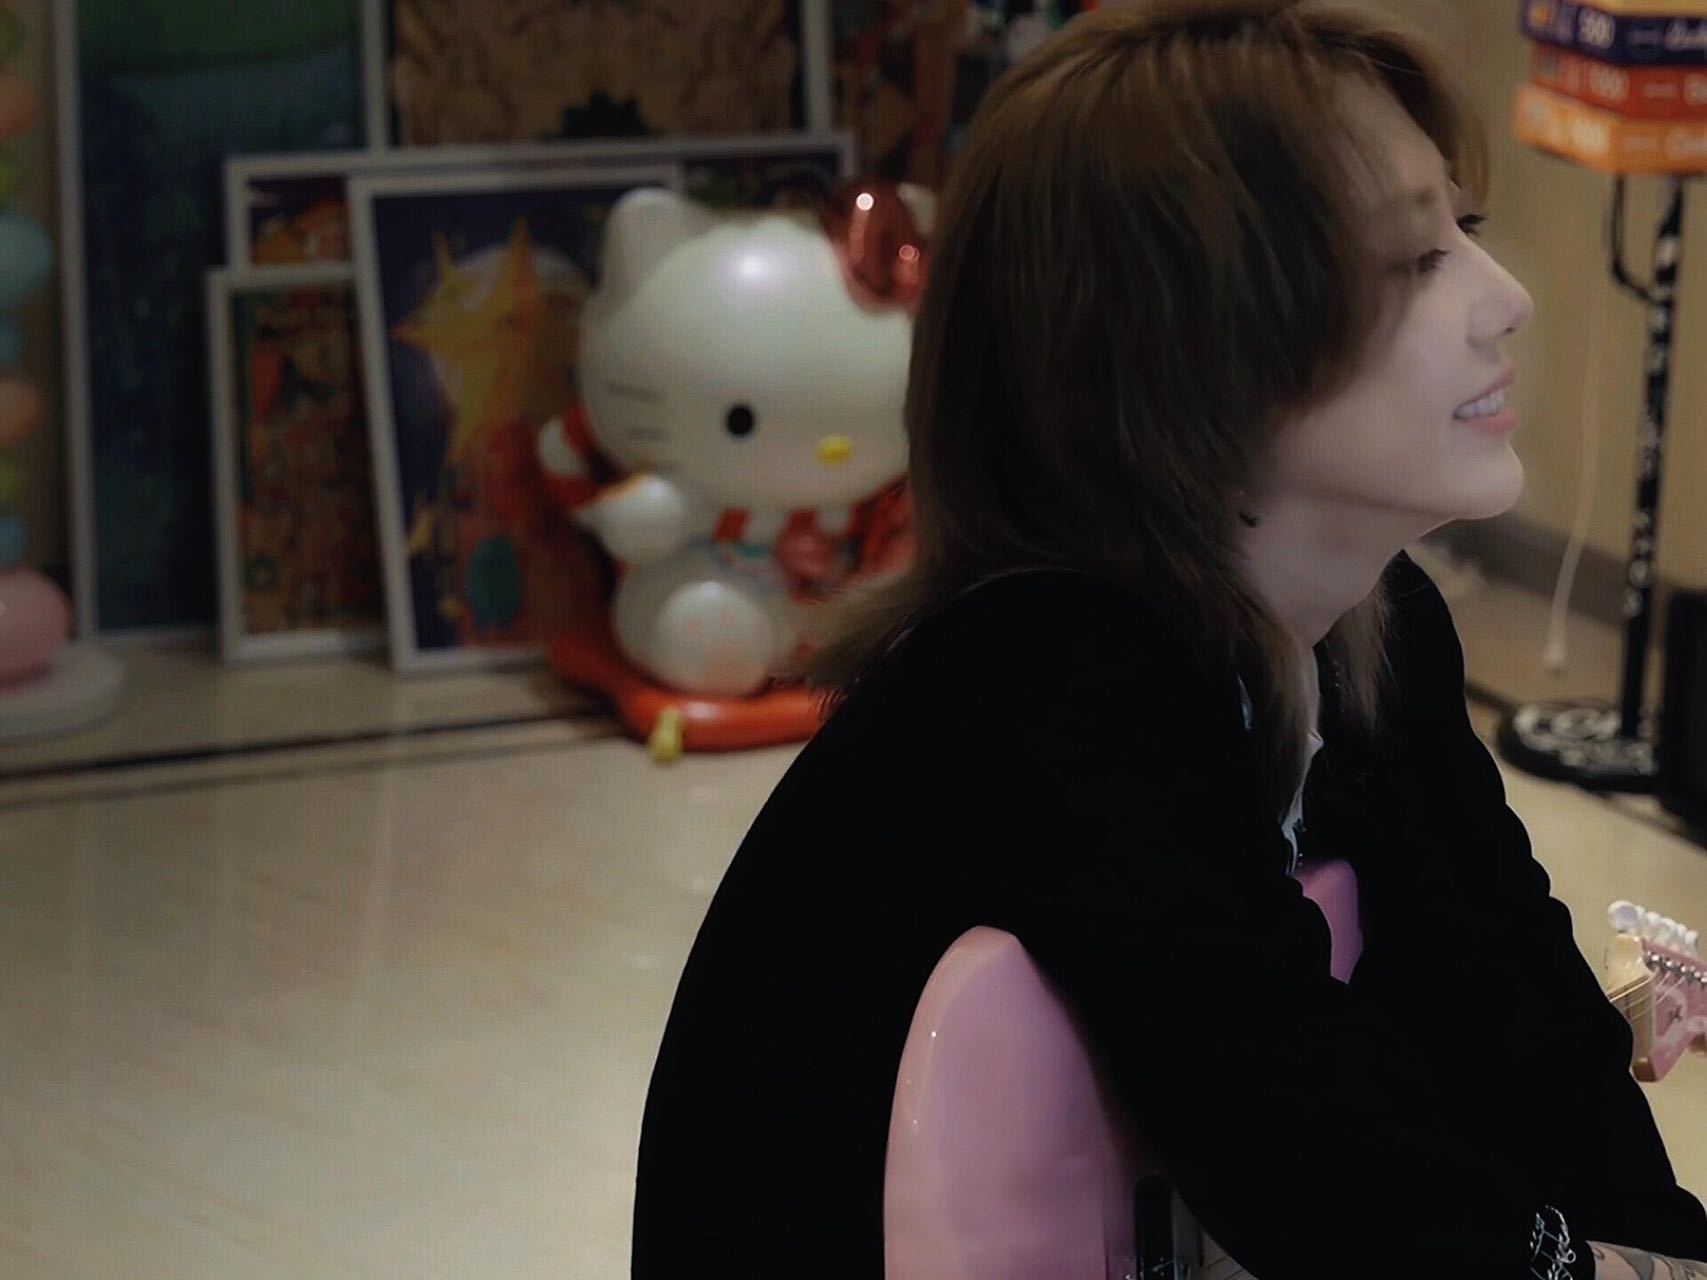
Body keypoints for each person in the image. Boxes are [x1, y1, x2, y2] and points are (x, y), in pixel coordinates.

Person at [629, 2, 1707, 1277]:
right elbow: (1301, 1140)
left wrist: (1657, 1244)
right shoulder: (1055, 673)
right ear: (1185, 348)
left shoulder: (1380, 629)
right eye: (1415, 259)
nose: (1505, 300)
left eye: (1462, 231)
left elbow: (1519, 1014)